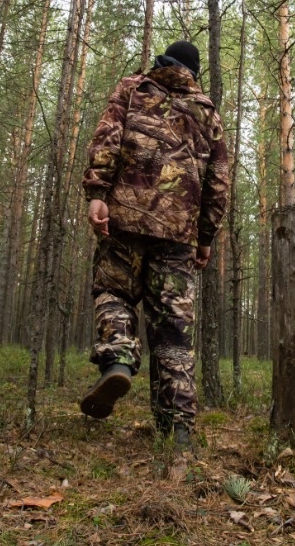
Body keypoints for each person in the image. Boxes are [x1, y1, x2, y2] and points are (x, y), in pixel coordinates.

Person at [79, 40, 229, 450]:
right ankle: (176, 427)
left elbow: (106, 138)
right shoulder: (207, 112)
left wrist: (98, 191)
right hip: (178, 235)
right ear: (193, 72)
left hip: (124, 216)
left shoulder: (132, 87)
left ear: (164, 61)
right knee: (173, 330)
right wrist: (205, 236)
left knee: (113, 291)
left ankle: (118, 360)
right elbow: (219, 181)